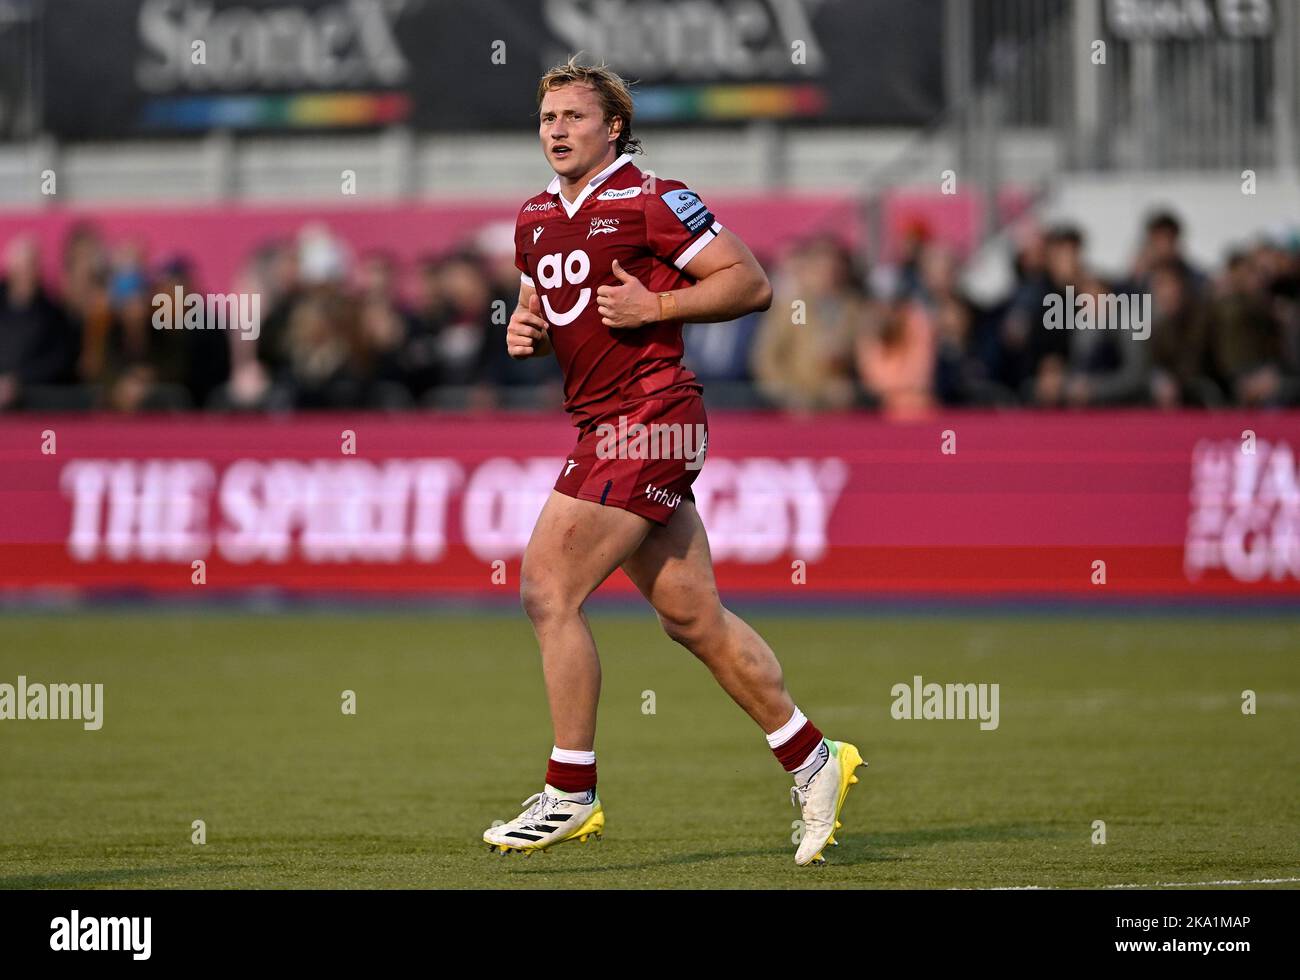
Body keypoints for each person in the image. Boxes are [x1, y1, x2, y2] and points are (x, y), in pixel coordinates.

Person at [482, 57, 864, 866]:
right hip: (604, 424)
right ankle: (812, 758)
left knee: (547, 588)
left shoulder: (652, 197)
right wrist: (527, 330)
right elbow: (538, 301)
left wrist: (658, 304)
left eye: (574, 118)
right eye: (547, 118)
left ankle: (570, 790)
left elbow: (751, 282)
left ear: (612, 127)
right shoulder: (533, 217)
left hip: (651, 416)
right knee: (692, 618)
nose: (556, 131)